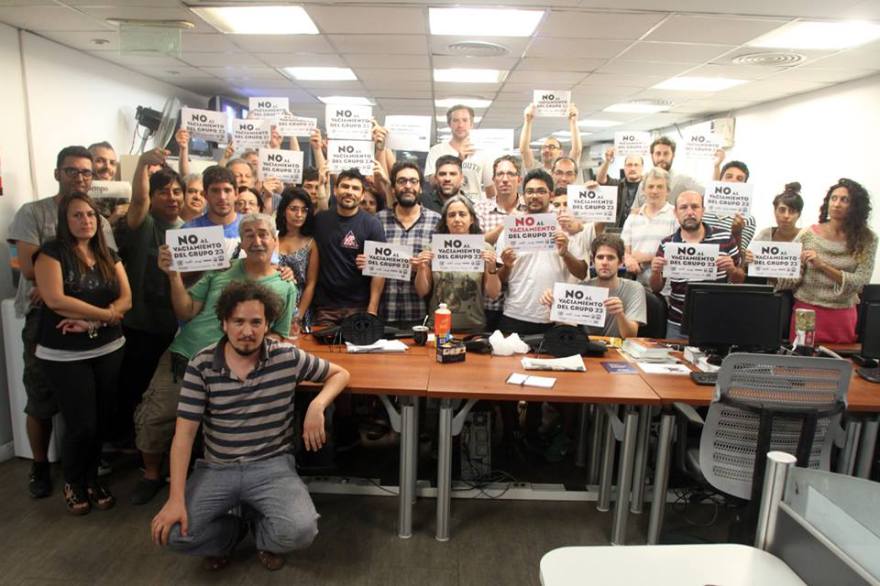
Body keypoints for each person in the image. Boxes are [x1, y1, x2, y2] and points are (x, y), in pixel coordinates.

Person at [151, 281, 350, 572]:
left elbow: (340, 374)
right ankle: (231, 534)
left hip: (271, 465)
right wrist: (175, 499)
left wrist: (317, 405)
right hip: (218, 467)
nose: (247, 331)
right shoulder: (201, 364)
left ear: (268, 324)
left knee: (300, 530)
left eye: (256, 322)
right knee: (171, 532)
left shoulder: (286, 357)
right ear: (223, 323)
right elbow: (184, 436)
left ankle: (263, 534)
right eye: (238, 322)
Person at [131, 213, 298, 505]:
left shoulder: (286, 286)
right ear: (241, 242)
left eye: (263, 234)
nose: (257, 240)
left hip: (233, 372)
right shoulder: (220, 271)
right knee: (156, 417)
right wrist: (173, 276)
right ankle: (151, 475)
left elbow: (278, 335)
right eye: (249, 234)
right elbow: (185, 311)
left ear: (275, 240)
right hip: (185, 357)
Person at [7, 145, 117, 499]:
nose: (80, 177)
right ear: (58, 173)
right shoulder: (33, 212)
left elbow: (106, 265)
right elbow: (26, 267)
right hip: (44, 320)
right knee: (40, 398)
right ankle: (40, 465)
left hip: (92, 323)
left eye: (86, 172)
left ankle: (85, 471)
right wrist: (56, 284)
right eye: (72, 171)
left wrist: (60, 287)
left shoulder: (98, 219)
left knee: (88, 408)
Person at [33, 192, 132, 514]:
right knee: (81, 424)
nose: (85, 220)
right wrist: (106, 315)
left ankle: (92, 479)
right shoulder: (52, 253)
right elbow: (55, 300)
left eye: (90, 215)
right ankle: (73, 481)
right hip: (65, 355)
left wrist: (93, 321)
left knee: (102, 420)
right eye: (77, 215)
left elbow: (126, 299)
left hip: (109, 348)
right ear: (65, 220)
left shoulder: (107, 253)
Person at [112, 150, 184, 449]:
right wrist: (143, 163)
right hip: (139, 327)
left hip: (174, 330)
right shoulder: (144, 223)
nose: (171, 197)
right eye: (163, 192)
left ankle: (152, 448)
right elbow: (139, 201)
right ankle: (126, 446)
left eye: (176, 191)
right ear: (152, 197)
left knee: (162, 398)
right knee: (132, 389)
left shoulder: (190, 230)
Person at [776, 178, 877, 344]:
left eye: (844, 200)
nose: (836, 204)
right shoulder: (808, 234)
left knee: (841, 360)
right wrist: (768, 266)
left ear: (856, 206)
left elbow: (860, 283)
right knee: (801, 358)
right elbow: (790, 280)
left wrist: (822, 265)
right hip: (806, 311)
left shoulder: (867, 239)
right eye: (833, 198)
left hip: (843, 316)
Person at [498, 169, 590, 335]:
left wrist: (565, 254)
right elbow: (498, 281)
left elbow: (582, 273)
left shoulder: (566, 228)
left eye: (541, 191)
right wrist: (506, 266)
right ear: (523, 196)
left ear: (551, 195)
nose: (534, 196)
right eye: (530, 191)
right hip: (515, 314)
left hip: (555, 317)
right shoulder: (510, 231)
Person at [650, 191, 744, 339]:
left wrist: (732, 269)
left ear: (703, 211)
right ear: (675, 212)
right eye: (683, 207)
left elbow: (740, 280)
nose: (690, 212)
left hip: (717, 321)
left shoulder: (725, 238)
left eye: (695, 207)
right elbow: (656, 288)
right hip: (677, 323)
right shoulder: (667, 243)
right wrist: (655, 272)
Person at [414, 195, 500, 333]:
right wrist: (421, 268)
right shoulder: (433, 248)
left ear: (471, 219)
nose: (457, 219)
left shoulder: (485, 249)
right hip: (438, 326)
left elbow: (494, 294)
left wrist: (492, 268)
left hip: (474, 327)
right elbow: (421, 291)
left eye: (462, 214)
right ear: (446, 221)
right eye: (452, 215)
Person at [312, 169, 386, 325]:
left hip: (359, 307)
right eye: (345, 186)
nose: (349, 192)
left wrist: (372, 310)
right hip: (325, 308)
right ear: (335, 190)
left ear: (362, 194)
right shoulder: (320, 220)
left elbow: (379, 272)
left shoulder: (373, 225)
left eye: (355, 188)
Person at [372, 162, 440, 329]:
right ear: (393, 188)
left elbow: (443, 267)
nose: (408, 186)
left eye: (413, 181)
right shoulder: (377, 220)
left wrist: (424, 267)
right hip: (384, 312)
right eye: (402, 181)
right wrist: (367, 262)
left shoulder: (437, 222)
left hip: (421, 315)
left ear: (420, 188)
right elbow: (373, 267)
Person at [540, 233, 646, 338]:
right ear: (593, 261)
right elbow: (568, 329)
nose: (604, 262)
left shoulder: (634, 288)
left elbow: (631, 335)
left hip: (619, 347)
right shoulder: (581, 289)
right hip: (586, 346)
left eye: (610, 258)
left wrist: (620, 314)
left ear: (621, 261)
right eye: (600, 257)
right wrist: (554, 306)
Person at [474, 155, 525, 331]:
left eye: (510, 174)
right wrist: (506, 224)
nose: (505, 179)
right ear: (493, 179)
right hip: (488, 301)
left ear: (519, 179)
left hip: (521, 300)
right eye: (500, 174)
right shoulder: (480, 208)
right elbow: (473, 245)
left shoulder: (531, 209)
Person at [621, 168, 678, 286]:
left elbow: (677, 252)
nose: (655, 191)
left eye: (660, 187)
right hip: (636, 285)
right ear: (643, 190)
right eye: (650, 186)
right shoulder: (633, 217)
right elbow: (623, 249)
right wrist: (628, 259)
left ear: (668, 191)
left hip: (667, 287)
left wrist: (643, 257)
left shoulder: (676, 215)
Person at [276, 187, 319, 334]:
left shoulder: (310, 243)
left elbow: (311, 284)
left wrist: (298, 315)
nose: (299, 215)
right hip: (273, 302)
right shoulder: (272, 238)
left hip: (300, 305)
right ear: (283, 210)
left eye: (304, 210)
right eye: (293, 209)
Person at [424, 104, 485, 200]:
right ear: (449, 124)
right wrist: (459, 160)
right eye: (456, 120)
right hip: (444, 205)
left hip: (474, 206)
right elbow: (433, 182)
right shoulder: (436, 150)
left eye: (465, 120)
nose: (460, 125)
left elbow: (490, 189)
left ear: (471, 124)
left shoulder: (482, 152)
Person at [183, 165, 241, 262]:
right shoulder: (189, 230)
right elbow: (182, 269)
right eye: (215, 191)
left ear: (236, 193)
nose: (222, 197)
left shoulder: (252, 226)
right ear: (205, 195)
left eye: (227, 190)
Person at [702, 159, 757, 255]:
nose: (733, 181)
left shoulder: (747, 219)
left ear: (745, 185)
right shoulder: (701, 211)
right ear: (720, 180)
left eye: (739, 179)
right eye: (728, 176)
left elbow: (739, 256)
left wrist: (737, 232)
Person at [634, 136, 703, 208]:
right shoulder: (643, 183)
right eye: (658, 153)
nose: (662, 158)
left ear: (673, 155)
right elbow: (635, 210)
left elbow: (707, 195)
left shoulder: (684, 180)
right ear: (652, 156)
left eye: (666, 154)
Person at [518, 101, 582, 174]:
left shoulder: (567, 168)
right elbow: (524, 150)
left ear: (561, 153)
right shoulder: (535, 169)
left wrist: (573, 122)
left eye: (552, 147)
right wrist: (527, 121)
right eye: (544, 147)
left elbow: (577, 151)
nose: (546, 150)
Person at [595, 147, 644, 227]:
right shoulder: (617, 184)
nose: (632, 168)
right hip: (617, 230)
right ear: (624, 168)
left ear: (642, 167)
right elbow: (600, 179)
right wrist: (607, 161)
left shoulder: (648, 187)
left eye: (636, 165)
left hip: (641, 229)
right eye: (629, 165)